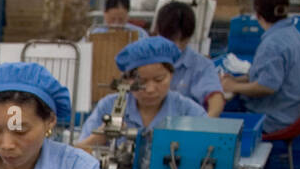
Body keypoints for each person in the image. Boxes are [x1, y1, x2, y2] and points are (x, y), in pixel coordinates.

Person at [76, 37, 206, 154]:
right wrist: (99, 137)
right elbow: (76, 156)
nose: (150, 89)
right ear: (127, 81)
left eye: (159, 79)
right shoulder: (109, 107)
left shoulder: (187, 111)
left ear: (171, 75)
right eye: (141, 82)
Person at [220, 0, 300, 133]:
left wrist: (233, 87)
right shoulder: (292, 33)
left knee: (215, 122)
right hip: (292, 111)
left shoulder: (272, 44)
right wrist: (237, 80)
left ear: (257, 14)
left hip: (274, 119)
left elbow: (266, 86)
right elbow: (268, 74)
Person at [154, 0, 224, 116]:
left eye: (183, 41)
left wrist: (206, 124)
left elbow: (215, 97)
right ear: (158, 32)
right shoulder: (143, 59)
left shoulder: (201, 65)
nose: (176, 46)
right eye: (170, 40)